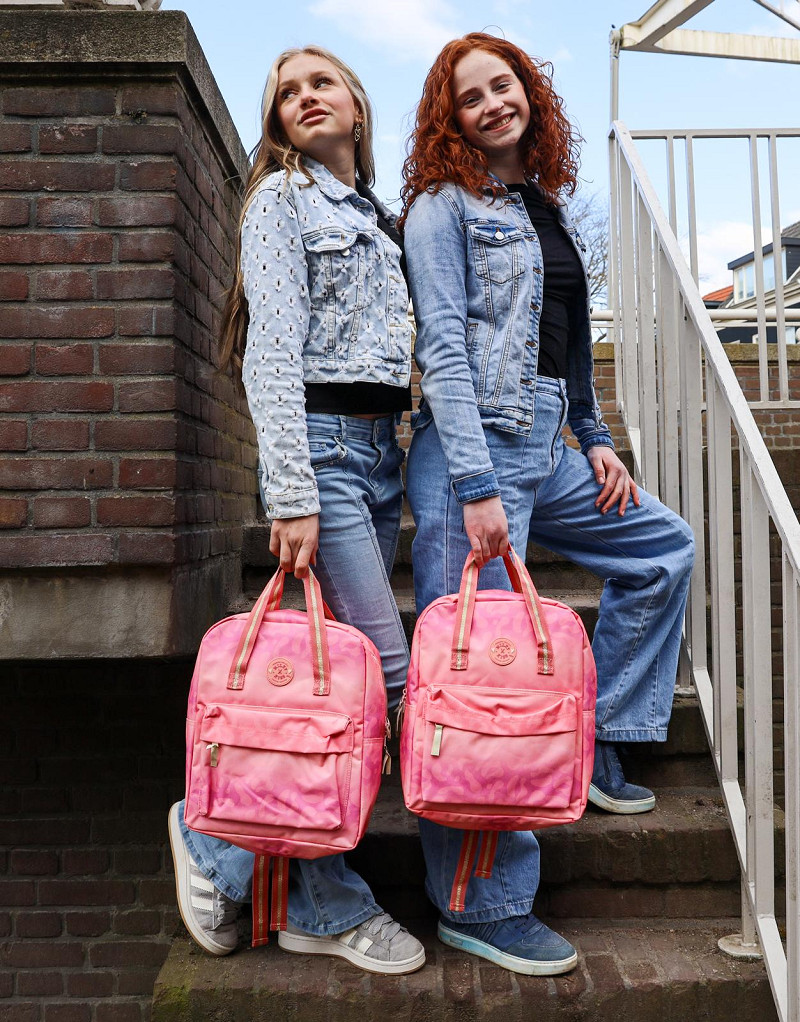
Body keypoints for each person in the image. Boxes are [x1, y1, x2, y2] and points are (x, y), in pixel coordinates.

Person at [400, 32, 695, 976]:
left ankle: (596, 735)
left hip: (547, 437)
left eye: (505, 85)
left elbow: (567, 345)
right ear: (450, 119)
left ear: (530, 93)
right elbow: (443, 348)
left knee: (662, 548)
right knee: (476, 685)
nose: (494, 104)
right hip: (472, 449)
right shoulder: (440, 206)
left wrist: (597, 438)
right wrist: (476, 485)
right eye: (471, 97)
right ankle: (482, 905)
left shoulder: (543, 206)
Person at [167, 44, 425, 975]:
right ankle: (253, 865)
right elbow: (271, 352)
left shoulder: (379, 219)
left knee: (338, 681)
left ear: (356, 104)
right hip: (326, 454)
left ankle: (241, 855)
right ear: (277, 121)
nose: (304, 97)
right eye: (286, 93)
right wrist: (292, 493)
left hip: (382, 456)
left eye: (321, 82)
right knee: (384, 679)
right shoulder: (281, 200)